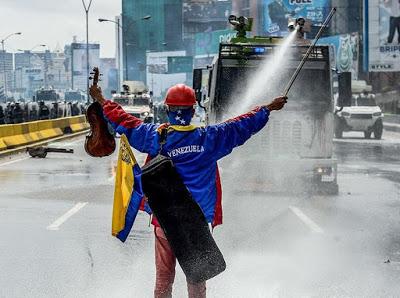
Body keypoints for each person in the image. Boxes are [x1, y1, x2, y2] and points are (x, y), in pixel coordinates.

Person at [90, 83, 287, 298]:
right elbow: (241, 126)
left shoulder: (156, 137)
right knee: (196, 277)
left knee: (164, 277)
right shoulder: (210, 138)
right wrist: (268, 108)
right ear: (193, 111)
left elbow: (124, 122)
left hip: (164, 221)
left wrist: (101, 99)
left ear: (167, 110)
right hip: (197, 221)